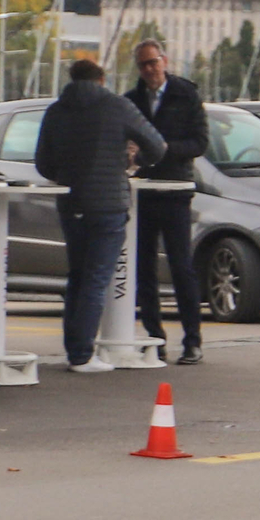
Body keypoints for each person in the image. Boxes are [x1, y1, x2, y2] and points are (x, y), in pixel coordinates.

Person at [36, 59, 163, 372]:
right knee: (96, 280)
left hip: (71, 201)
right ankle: (82, 354)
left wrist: (65, 174)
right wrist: (133, 162)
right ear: (102, 79)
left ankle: (74, 349)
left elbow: (42, 162)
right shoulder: (117, 106)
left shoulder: (56, 111)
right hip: (108, 204)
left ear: (72, 79)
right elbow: (158, 146)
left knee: (77, 277)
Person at [125, 39, 207, 364]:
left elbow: (199, 142)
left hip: (175, 189)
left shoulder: (185, 95)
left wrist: (162, 149)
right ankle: (154, 339)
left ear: (164, 61)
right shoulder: (131, 100)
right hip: (142, 191)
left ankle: (193, 340)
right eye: (143, 65)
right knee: (143, 269)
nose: (149, 70)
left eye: (153, 63)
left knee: (181, 267)